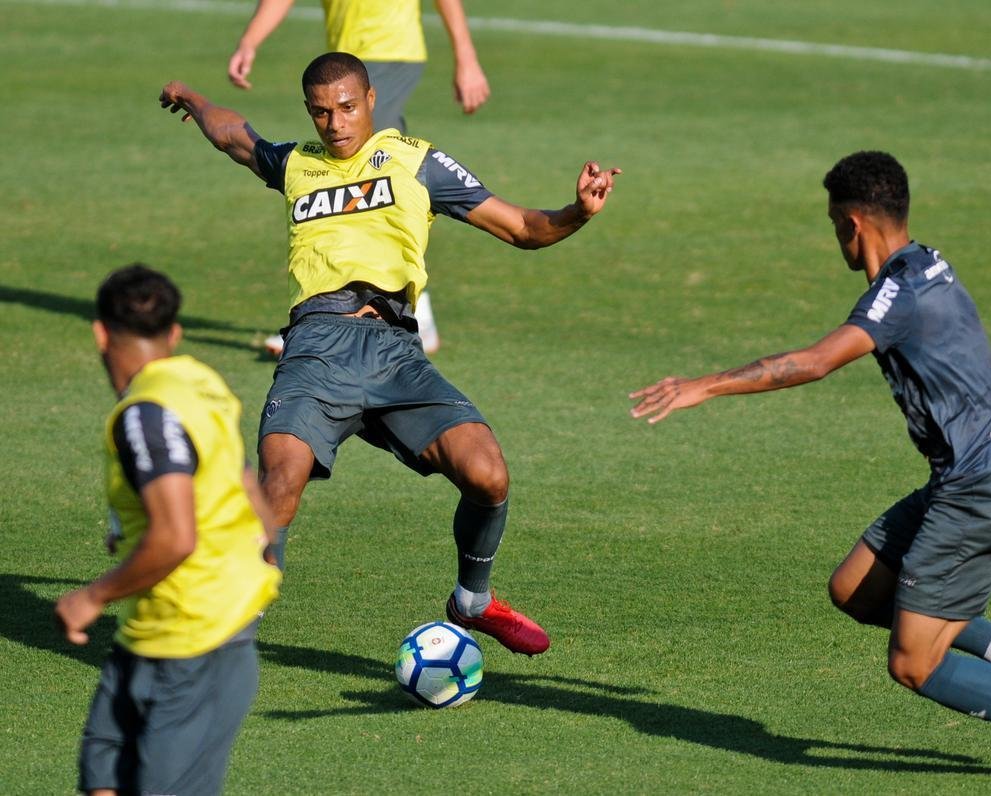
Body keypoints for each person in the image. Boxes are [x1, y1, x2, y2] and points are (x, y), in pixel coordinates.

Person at [629, 151, 991, 789]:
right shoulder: (926, 261)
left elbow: (816, 361)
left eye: (835, 224)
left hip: (979, 490)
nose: (835, 237)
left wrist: (706, 386)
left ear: (853, 223)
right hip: (967, 477)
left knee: (914, 663)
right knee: (856, 588)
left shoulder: (900, 291)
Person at [159, 51, 619, 656]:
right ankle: (227, 633)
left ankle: (473, 601)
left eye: (347, 107)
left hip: (396, 353)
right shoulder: (296, 163)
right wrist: (192, 97)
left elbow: (522, 228)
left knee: (488, 473)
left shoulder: (415, 161)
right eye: (321, 113)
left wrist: (578, 212)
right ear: (309, 113)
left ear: (371, 99)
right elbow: (234, 136)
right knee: (278, 488)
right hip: (316, 352)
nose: (336, 124)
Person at [55, 264, 281, 796]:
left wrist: (92, 597)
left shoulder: (144, 414)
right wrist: (266, 550)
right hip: (154, 630)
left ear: (100, 333)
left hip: (194, 641)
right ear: (175, 334)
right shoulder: (203, 382)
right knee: (103, 772)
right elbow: (243, 477)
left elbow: (176, 539)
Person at [229, 0, 492, 356]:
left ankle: (374, 314)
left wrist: (467, 58)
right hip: (346, 60)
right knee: (377, 180)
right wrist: (250, 41)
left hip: (390, 49)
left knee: (376, 178)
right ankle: (395, 312)